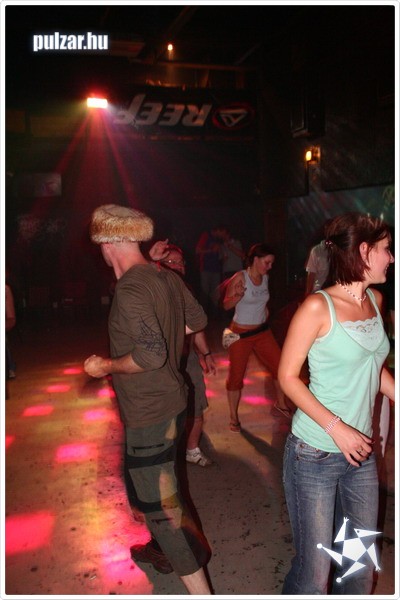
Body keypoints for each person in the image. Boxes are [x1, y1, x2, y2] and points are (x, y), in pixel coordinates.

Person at [83, 204, 212, 595]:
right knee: (156, 493)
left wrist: (104, 365)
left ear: (109, 243)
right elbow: (197, 321)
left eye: (100, 245)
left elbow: (151, 355)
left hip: (150, 413)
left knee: (161, 511)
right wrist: (167, 328)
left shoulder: (131, 288)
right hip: (172, 404)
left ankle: (199, 586)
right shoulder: (165, 276)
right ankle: (169, 549)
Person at [278, 212, 395, 595]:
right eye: (386, 249)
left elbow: (371, 366)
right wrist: (337, 428)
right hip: (314, 454)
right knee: (315, 574)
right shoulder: (317, 307)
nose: (392, 258)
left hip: (359, 454)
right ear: (364, 251)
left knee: (358, 566)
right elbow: (287, 377)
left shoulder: (375, 300)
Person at [150, 240, 216, 467]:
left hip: (188, 358)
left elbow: (196, 326)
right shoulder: (153, 290)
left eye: (181, 262)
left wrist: (206, 353)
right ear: (160, 265)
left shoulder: (186, 289)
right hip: (163, 359)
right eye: (172, 262)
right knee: (164, 409)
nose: (179, 266)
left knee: (196, 402)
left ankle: (192, 449)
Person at [222, 243, 292, 432]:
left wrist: (264, 313)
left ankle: (281, 404)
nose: (270, 267)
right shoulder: (240, 277)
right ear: (255, 259)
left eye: (271, 263)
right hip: (239, 334)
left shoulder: (265, 278)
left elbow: (262, 302)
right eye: (267, 262)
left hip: (262, 332)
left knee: (281, 368)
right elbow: (226, 305)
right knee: (236, 377)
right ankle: (233, 417)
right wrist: (236, 297)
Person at [195, 225, 225, 318]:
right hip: (206, 269)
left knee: (216, 294)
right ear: (218, 230)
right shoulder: (206, 235)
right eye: (222, 233)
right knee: (205, 293)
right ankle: (202, 317)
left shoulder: (218, 240)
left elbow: (219, 255)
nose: (223, 235)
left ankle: (215, 316)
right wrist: (211, 250)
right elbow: (198, 250)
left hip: (216, 269)